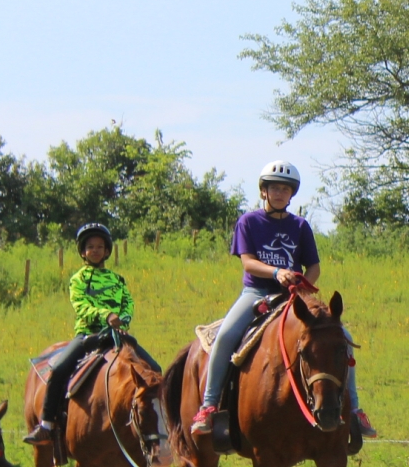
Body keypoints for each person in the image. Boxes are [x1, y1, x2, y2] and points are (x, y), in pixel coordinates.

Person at [190, 161, 376, 438]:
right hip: (257, 293)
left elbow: (313, 266)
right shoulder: (249, 222)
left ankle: (354, 411)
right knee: (226, 336)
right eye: (274, 188)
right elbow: (248, 263)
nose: (279, 193)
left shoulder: (300, 226)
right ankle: (209, 405)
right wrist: (277, 272)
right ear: (264, 191)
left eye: (285, 189)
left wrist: (305, 283)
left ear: (292, 195)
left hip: (294, 297)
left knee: (342, 337)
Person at [22, 223, 162, 443]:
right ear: (82, 251)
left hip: (118, 337)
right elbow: (81, 306)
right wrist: (106, 315)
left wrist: (123, 319)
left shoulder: (117, 280)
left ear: (107, 250)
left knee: (154, 369)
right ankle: (47, 424)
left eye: (99, 246)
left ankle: (159, 427)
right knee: (58, 370)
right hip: (88, 336)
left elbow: (128, 303)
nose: (95, 250)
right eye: (90, 247)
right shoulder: (78, 279)